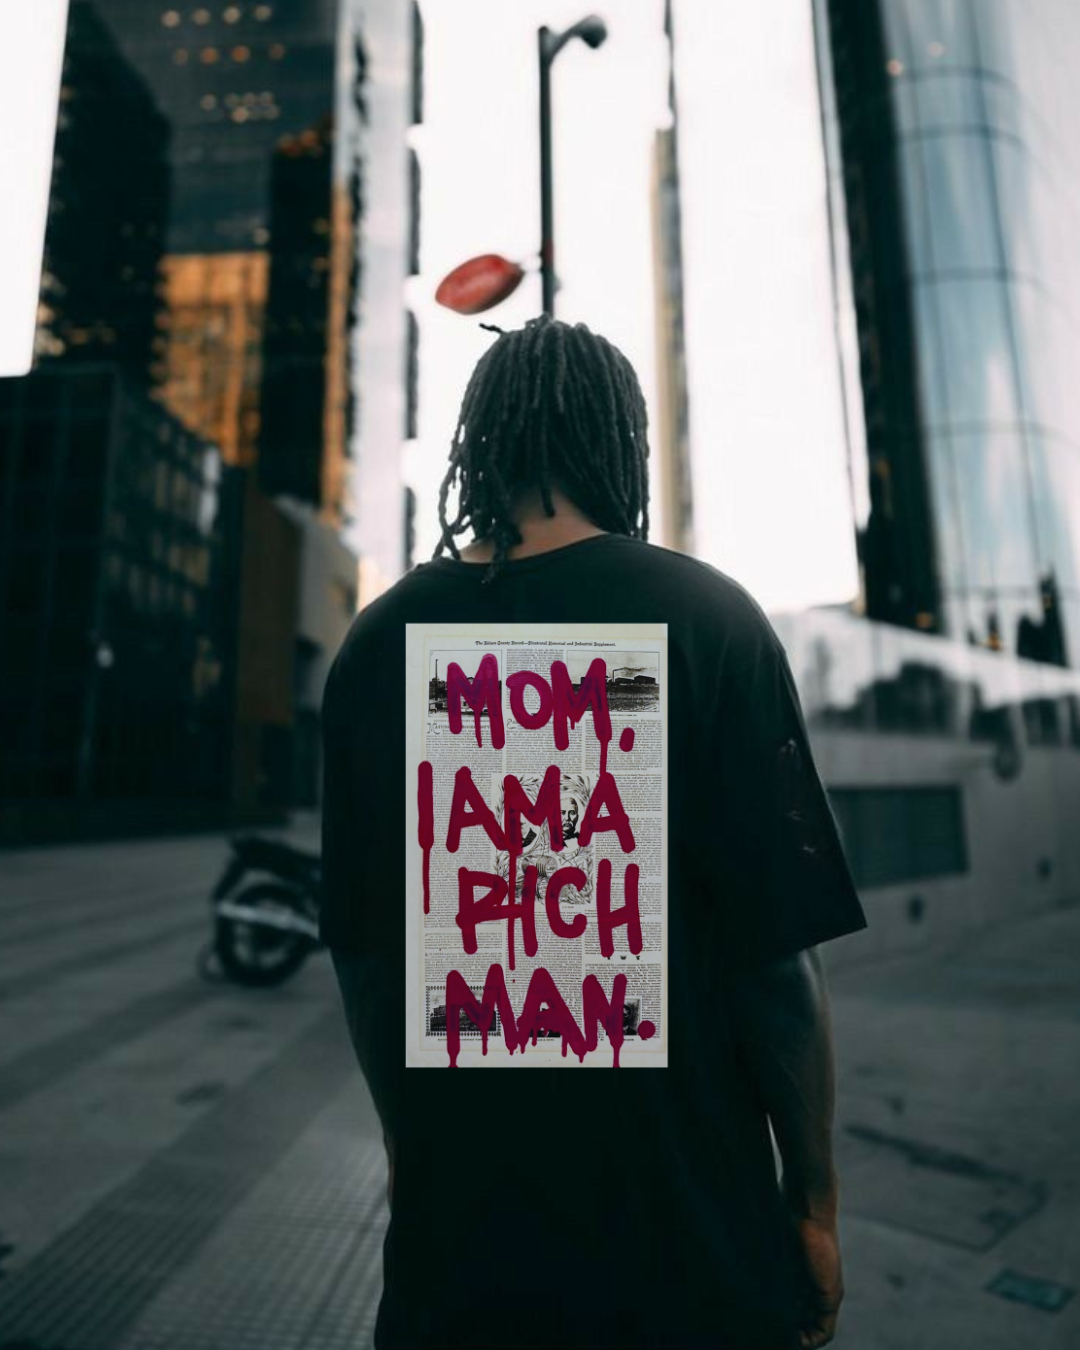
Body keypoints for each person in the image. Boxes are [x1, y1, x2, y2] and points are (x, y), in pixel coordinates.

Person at [321, 314, 867, 1350]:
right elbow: (776, 968)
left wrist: (408, 1145)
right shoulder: (710, 619)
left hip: (462, 1247)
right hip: (690, 1246)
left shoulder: (380, 641)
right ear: (620, 440)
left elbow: (363, 959)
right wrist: (814, 1203)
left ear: (481, 440)